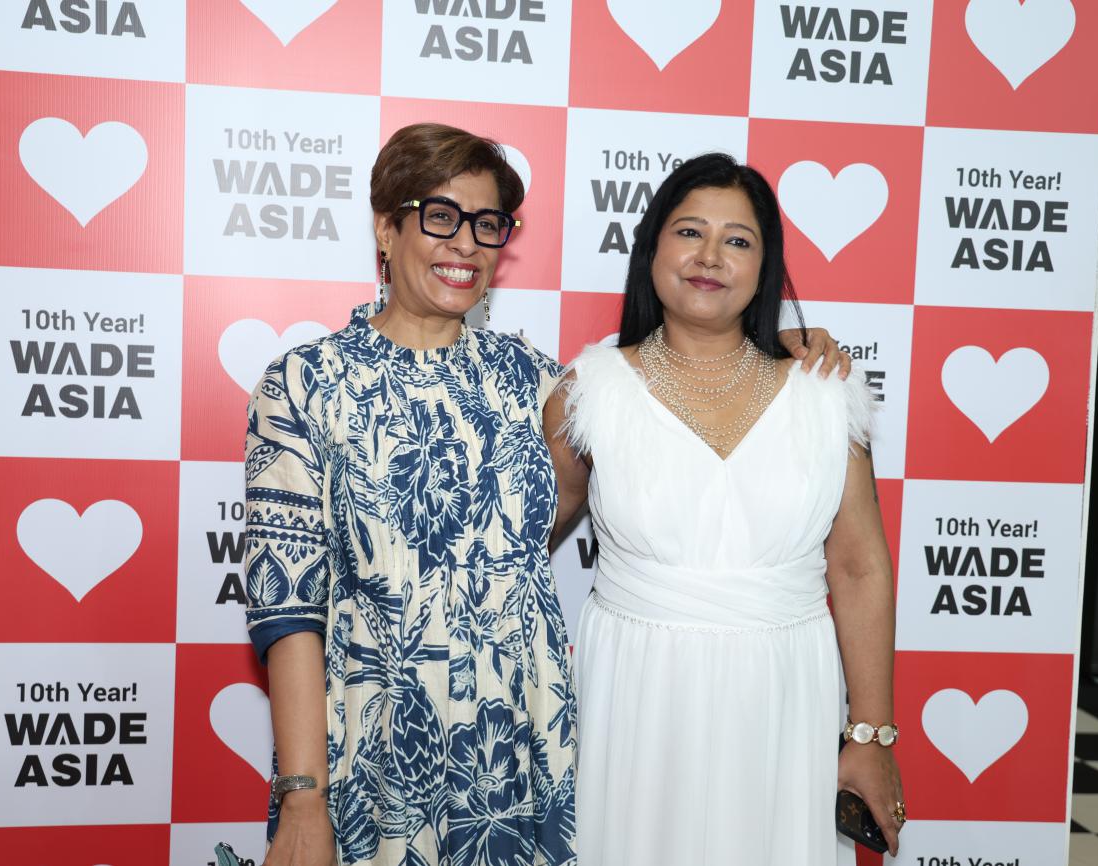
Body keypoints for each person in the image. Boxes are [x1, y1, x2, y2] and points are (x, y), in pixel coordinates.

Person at [242, 125, 849, 866]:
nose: (465, 244)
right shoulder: (305, 384)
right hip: (377, 757)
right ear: (385, 228)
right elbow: (287, 609)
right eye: (440, 216)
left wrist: (781, 350)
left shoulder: (541, 384)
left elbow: (669, 410)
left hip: (523, 760)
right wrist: (303, 795)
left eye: (487, 224)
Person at [544, 153, 903, 865]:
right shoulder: (588, 391)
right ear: (652, 248)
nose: (710, 256)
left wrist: (870, 735)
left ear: (765, 267)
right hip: (638, 693)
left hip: (784, 693)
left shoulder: (826, 392)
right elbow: (522, 539)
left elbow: (860, 568)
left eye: (737, 240)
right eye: (689, 232)